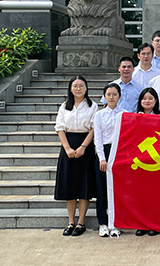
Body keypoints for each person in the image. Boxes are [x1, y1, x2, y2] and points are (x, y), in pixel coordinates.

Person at [54, 76, 97, 237]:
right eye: (75, 86)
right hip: (68, 146)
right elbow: (59, 128)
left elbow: (93, 128)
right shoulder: (64, 106)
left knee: (84, 185)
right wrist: (67, 148)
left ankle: (81, 222)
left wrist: (83, 147)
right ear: (70, 89)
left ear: (86, 88)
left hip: (85, 146)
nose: (78, 89)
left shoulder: (93, 106)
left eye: (81, 86)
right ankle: (71, 222)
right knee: (70, 184)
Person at [94, 83, 124, 238]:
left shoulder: (124, 114)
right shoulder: (99, 115)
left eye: (114, 94)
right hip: (104, 152)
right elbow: (97, 138)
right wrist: (102, 158)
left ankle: (116, 223)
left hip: (119, 152)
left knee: (118, 190)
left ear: (119, 96)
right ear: (104, 97)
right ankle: (103, 223)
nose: (111, 97)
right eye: (108, 94)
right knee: (102, 189)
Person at [135, 87, 160, 236]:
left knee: (155, 194)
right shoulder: (134, 117)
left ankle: (154, 224)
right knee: (141, 194)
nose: (147, 101)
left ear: (155, 101)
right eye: (144, 99)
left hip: (157, 161)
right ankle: (141, 224)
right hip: (140, 161)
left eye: (150, 98)